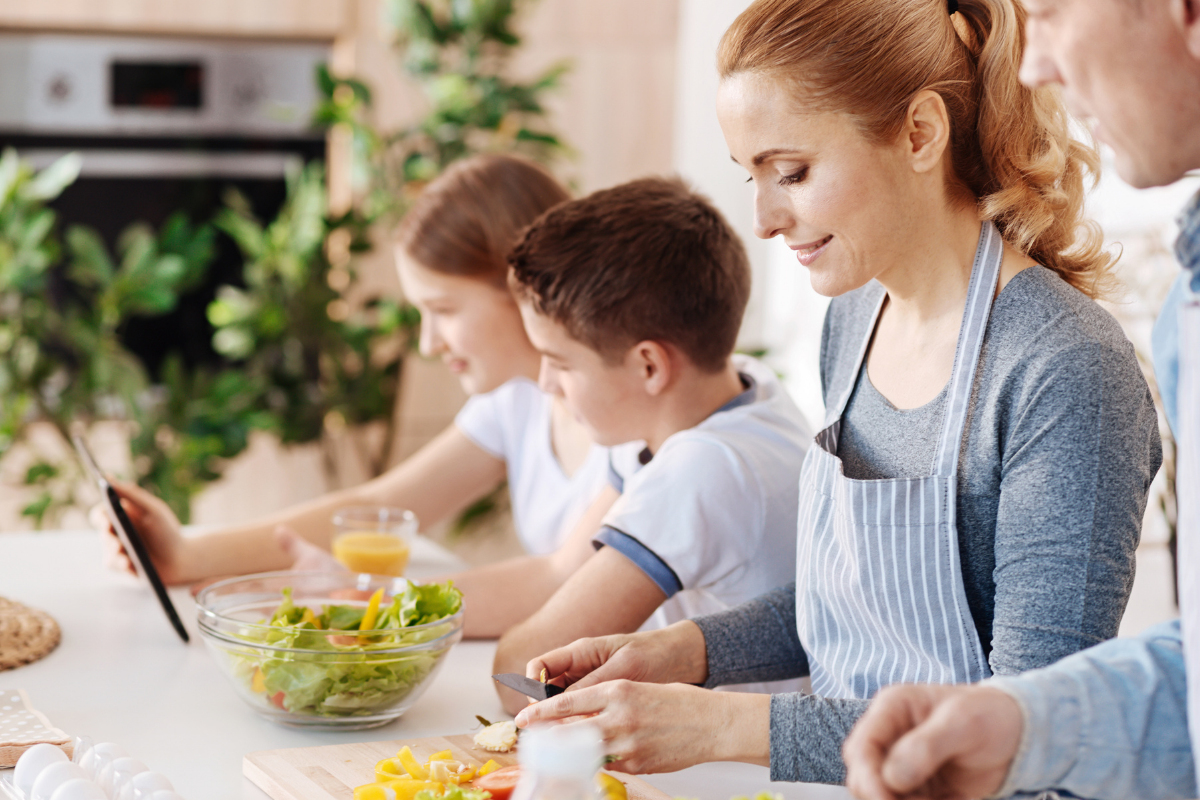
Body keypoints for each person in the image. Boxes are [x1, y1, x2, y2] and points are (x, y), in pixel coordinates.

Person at [512, 0, 1164, 783]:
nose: (762, 217)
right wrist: (681, 652)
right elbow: (849, 609)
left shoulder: (1065, 370)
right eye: (750, 175)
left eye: (792, 172)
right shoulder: (854, 317)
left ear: (921, 133)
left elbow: (1026, 730)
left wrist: (720, 724)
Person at [841, 0, 1200, 797]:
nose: (1033, 66)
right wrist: (1023, 725)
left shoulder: (1068, 362)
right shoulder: (1187, 310)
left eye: (1054, 13)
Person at [94, 154, 629, 638]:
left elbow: (561, 580)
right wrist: (185, 553)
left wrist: (366, 599)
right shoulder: (518, 400)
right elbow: (380, 507)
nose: (427, 342)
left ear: (524, 287)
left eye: (442, 309)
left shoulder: (630, 417)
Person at [492, 176, 813, 714]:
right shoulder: (742, 391)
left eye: (562, 362)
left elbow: (523, 671)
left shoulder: (703, 467)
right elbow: (563, 570)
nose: (545, 382)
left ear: (648, 366)